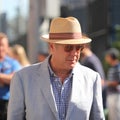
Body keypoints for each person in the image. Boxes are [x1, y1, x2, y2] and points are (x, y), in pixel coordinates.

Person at [7, 17, 105, 120]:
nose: (74, 53)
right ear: (52, 47)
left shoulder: (92, 79)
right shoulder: (23, 78)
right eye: (68, 47)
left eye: (79, 47)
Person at [0, 33, 21, 120]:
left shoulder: (13, 62)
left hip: (7, 103)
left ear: (7, 46)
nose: (0, 48)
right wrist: (5, 78)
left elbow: (15, 79)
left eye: (2, 45)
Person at [105, 48, 120, 120]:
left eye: (107, 56)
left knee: (115, 116)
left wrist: (106, 83)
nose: (106, 58)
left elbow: (117, 82)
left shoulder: (118, 67)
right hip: (111, 95)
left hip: (115, 95)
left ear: (111, 56)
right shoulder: (112, 67)